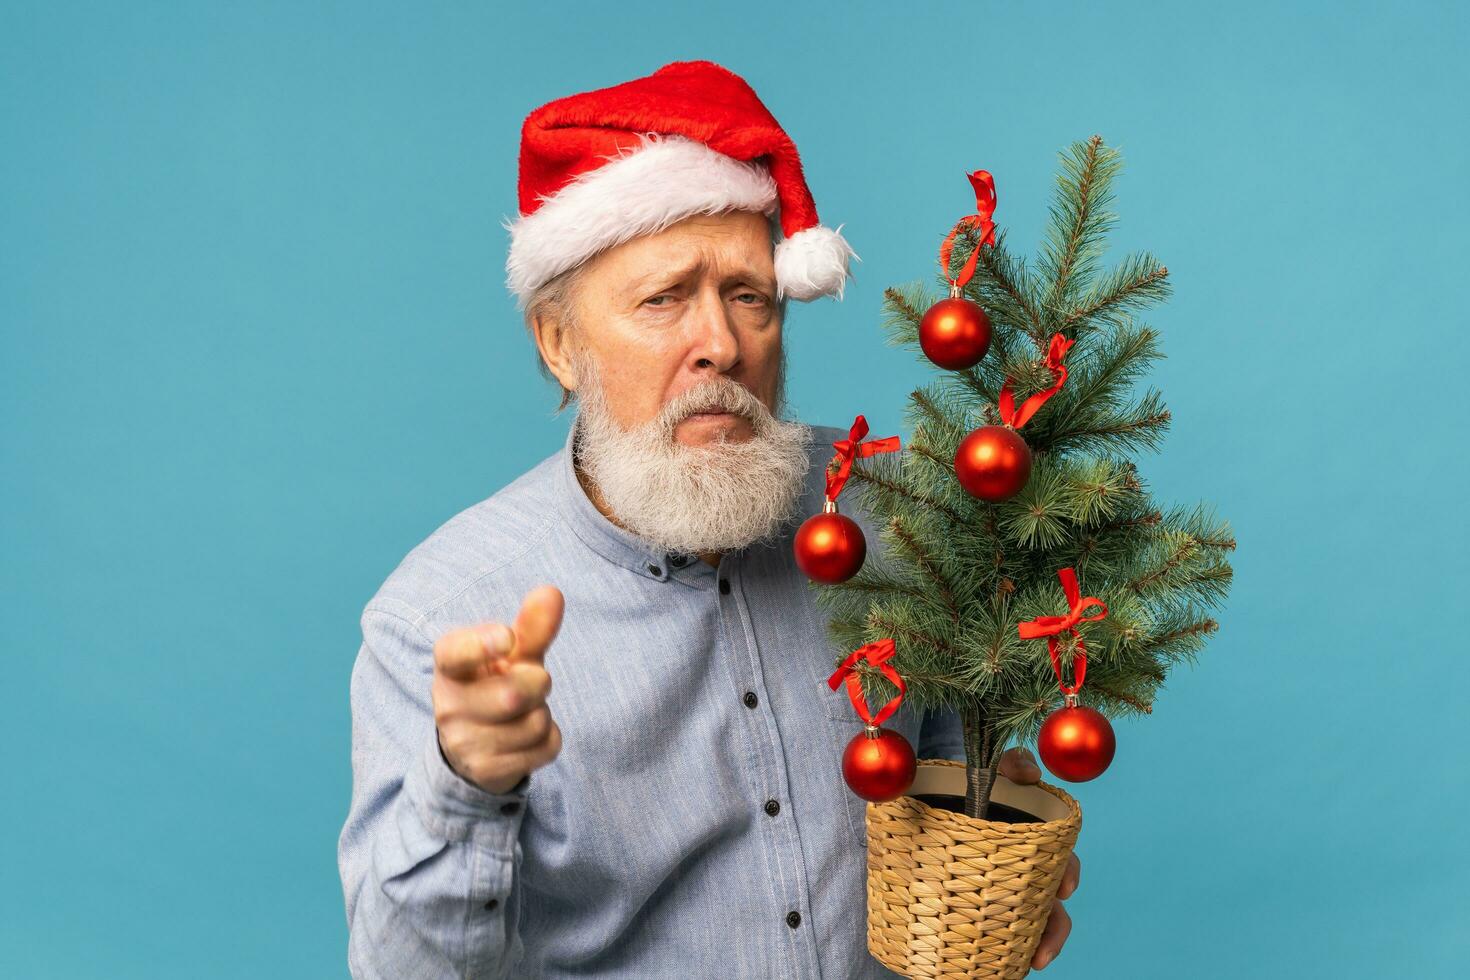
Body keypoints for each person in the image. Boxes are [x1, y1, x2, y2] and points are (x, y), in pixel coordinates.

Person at [337, 59, 1079, 979]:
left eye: (748, 296)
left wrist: (981, 844)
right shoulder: (439, 616)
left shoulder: (888, 520)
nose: (720, 346)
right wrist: (467, 783)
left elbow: (933, 781)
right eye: (663, 300)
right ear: (560, 344)